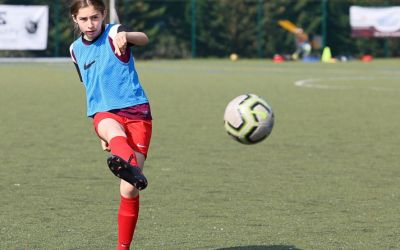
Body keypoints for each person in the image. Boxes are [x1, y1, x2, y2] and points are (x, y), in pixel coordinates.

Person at [69, 1, 152, 249]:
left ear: (103, 14)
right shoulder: (74, 49)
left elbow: (144, 38)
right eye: (83, 19)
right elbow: (89, 85)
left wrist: (127, 35)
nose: (90, 24)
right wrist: (101, 131)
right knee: (112, 130)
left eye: (95, 17)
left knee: (129, 191)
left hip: (137, 112)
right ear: (75, 19)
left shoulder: (114, 33)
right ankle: (129, 164)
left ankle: (123, 246)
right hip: (103, 113)